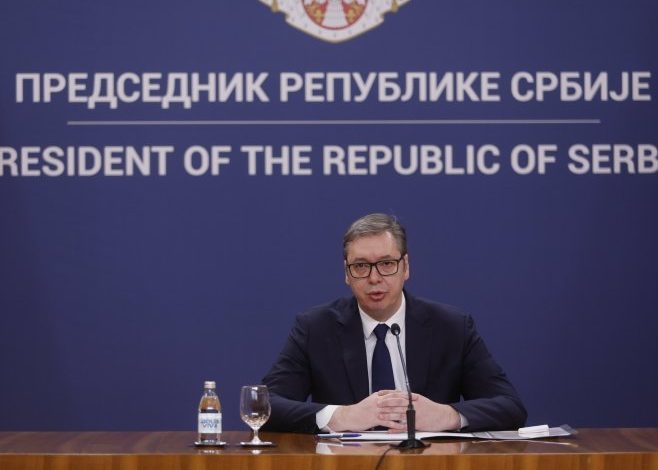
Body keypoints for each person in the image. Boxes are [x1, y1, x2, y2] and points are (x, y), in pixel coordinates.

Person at [262, 213, 527, 433]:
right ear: (347, 274)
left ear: (405, 267)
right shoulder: (316, 328)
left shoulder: (451, 327)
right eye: (361, 266)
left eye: (387, 263)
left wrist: (447, 416)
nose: (374, 278)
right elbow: (265, 406)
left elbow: (510, 406)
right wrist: (338, 416)